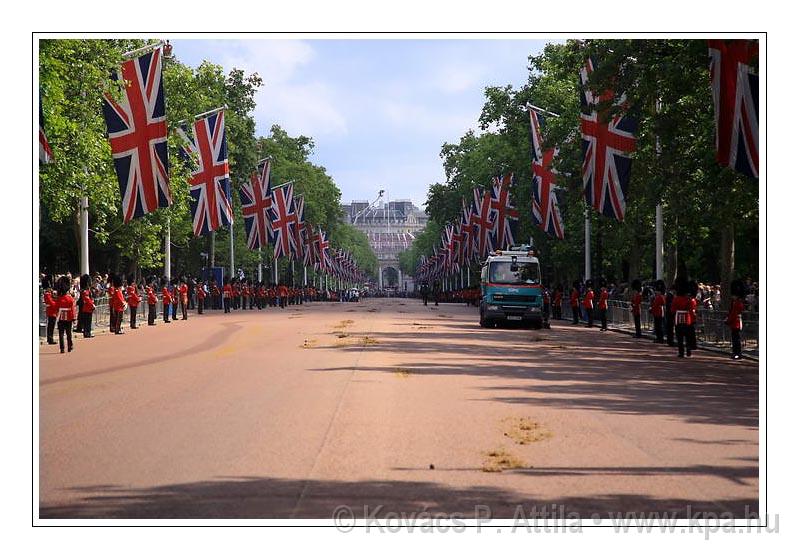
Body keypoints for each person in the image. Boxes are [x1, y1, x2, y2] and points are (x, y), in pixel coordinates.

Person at [671, 279, 696, 358]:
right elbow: (691, 310)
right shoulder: (689, 299)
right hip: (687, 318)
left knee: (680, 336)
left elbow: (672, 310)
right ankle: (688, 350)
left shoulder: (676, 299)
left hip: (678, 318)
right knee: (688, 335)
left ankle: (681, 352)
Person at [55, 276, 76, 353]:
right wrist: (74, 318)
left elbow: (56, 308)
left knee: (61, 334)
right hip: (68, 318)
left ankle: (62, 348)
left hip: (60, 318)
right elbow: (73, 308)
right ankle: (70, 346)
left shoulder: (59, 298)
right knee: (69, 334)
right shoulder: (70, 298)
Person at [727, 280, 746, 360]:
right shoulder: (736, 302)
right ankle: (736, 353)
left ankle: (737, 353)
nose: (732, 296)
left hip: (736, 322)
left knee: (736, 340)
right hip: (735, 322)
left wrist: (728, 321)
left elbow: (734, 314)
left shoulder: (737, 303)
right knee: (735, 339)